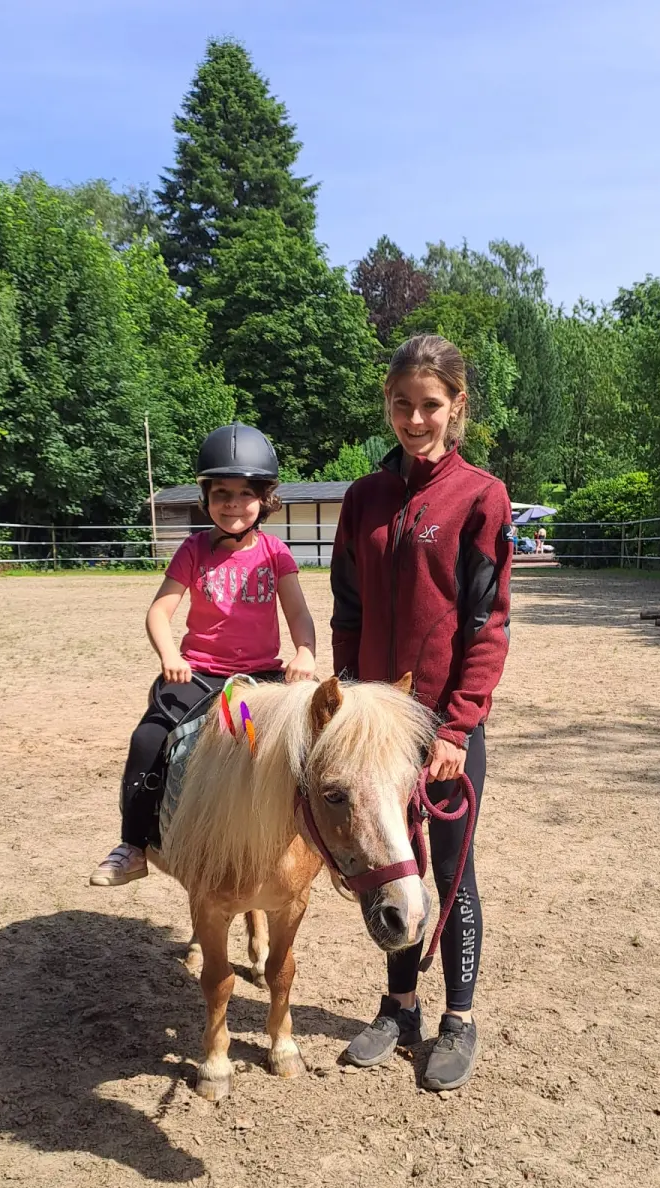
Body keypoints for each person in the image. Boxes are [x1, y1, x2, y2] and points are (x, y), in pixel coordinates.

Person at [330, 334, 512, 1091]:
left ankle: (457, 1020)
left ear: (456, 406)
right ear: (387, 404)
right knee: (389, 865)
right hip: (377, 727)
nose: (414, 419)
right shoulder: (362, 498)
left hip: (440, 730)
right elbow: (345, 606)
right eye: (401, 405)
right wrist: (344, 699)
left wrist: (456, 727)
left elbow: (486, 624)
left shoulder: (480, 497)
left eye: (429, 406)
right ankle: (398, 1005)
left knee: (450, 870)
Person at [91, 423, 317, 887]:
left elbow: (298, 611)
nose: (232, 504)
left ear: (264, 499)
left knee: (298, 748)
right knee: (148, 740)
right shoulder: (193, 550)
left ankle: (311, 843)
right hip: (199, 676)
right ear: (206, 497)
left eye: (244, 493)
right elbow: (160, 610)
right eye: (221, 493)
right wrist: (170, 652)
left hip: (258, 679)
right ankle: (133, 845)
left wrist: (305, 653)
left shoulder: (276, 553)